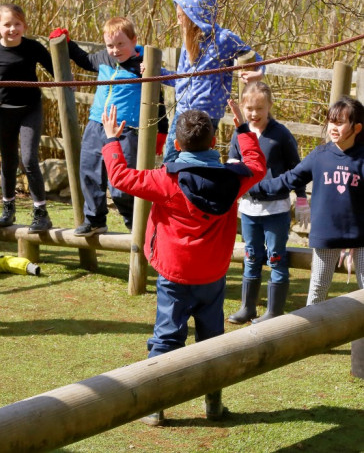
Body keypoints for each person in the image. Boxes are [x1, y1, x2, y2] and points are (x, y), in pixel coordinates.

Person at [101, 101, 267, 425]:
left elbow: (120, 177)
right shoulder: (233, 179)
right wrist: (244, 130)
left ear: (176, 146)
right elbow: (257, 166)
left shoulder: (166, 181)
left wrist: (111, 140)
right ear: (214, 140)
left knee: (167, 338)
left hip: (174, 276)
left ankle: (153, 405)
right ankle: (213, 404)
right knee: (212, 340)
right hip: (212, 277)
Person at [49, 18, 168, 236]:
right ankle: (95, 219)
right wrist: (67, 42)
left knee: (123, 184)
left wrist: (161, 131)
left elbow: (157, 100)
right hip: (97, 124)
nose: (115, 50)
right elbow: (84, 60)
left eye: (121, 44)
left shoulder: (143, 65)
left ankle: (136, 222)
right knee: (89, 172)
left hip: (126, 130)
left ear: (134, 41)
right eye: (110, 45)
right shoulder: (104, 59)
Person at [255, 96, 364, 305]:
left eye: (340, 122)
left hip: (361, 237)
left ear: (357, 127)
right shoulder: (320, 155)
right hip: (326, 235)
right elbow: (289, 179)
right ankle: (311, 337)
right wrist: (255, 188)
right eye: (331, 121)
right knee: (316, 292)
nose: (333, 127)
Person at [227, 82, 308, 324]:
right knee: (252, 255)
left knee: (276, 257)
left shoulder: (280, 134)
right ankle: (247, 307)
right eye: (249, 108)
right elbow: (232, 160)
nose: (254, 113)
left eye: (259, 108)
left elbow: (297, 168)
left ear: (269, 106)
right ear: (242, 106)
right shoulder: (239, 132)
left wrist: (301, 198)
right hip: (249, 208)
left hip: (276, 208)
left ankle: (274, 312)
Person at [0, 3, 54, 233]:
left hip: (30, 109)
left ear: (24, 26)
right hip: (4, 111)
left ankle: (41, 213)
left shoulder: (33, 47)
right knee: (8, 161)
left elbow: (56, 70)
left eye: (17, 24)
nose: (12, 29)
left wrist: (64, 48)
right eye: (7, 24)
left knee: (28, 159)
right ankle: (8, 207)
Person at [162, 0, 264, 163]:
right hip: (182, 112)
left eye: (181, 16)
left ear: (194, 16)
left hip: (206, 114)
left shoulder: (223, 39)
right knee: (171, 158)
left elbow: (255, 57)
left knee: (198, 159)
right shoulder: (188, 43)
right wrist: (156, 73)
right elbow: (181, 80)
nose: (178, 22)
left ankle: (201, 187)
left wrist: (258, 73)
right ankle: (171, 190)